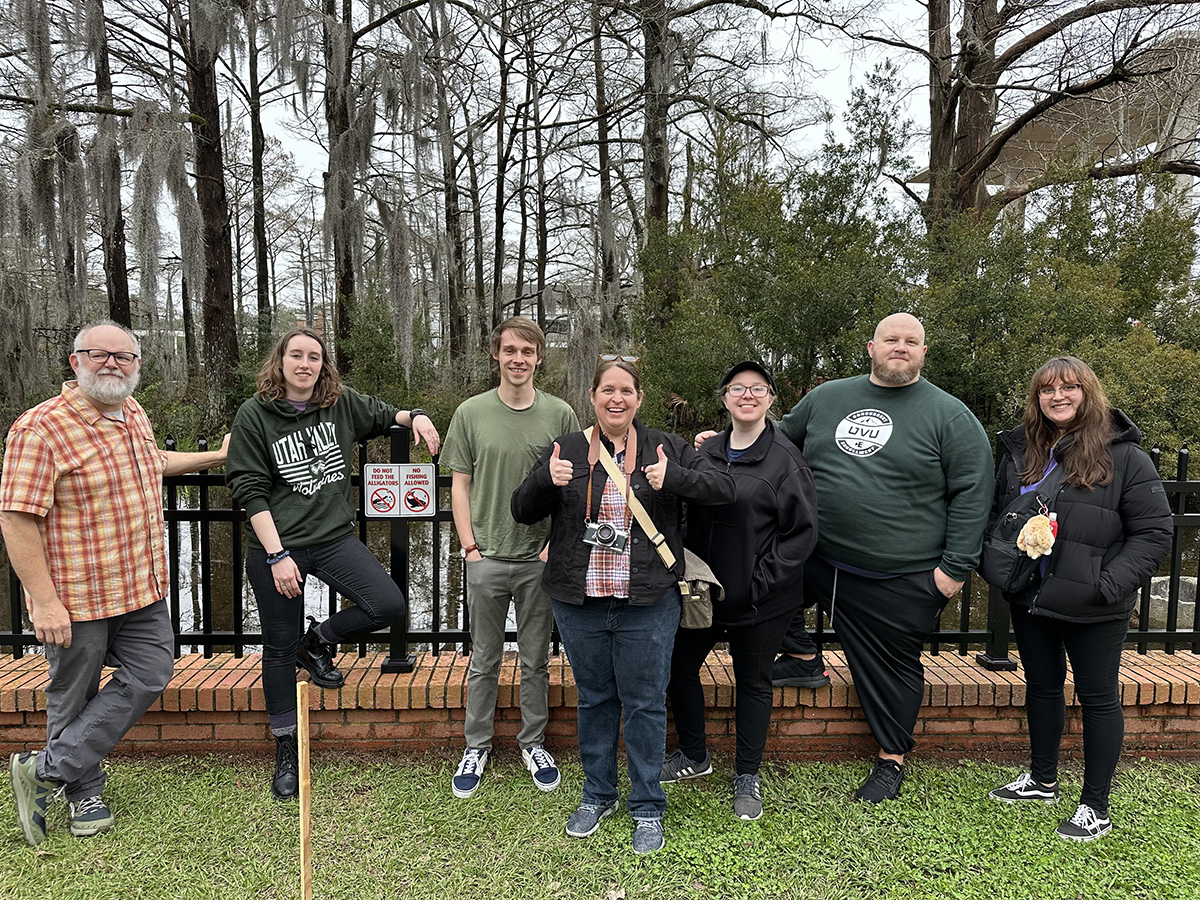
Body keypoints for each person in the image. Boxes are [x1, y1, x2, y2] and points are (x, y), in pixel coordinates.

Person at [698, 313, 993, 802]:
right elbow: (774, 440)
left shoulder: (950, 416)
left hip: (897, 572)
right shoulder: (828, 398)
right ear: (871, 347)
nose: (900, 347)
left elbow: (973, 494)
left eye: (911, 341)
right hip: (816, 556)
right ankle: (802, 657)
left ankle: (890, 760)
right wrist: (719, 444)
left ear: (923, 352)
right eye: (891, 340)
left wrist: (953, 571)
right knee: (764, 593)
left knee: (893, 669)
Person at [1, 321, 229, 846]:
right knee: (72, 697)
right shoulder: (41, 428)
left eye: (123, 357)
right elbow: (17, 517)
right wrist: (44, 600)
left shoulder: (133, 414)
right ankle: (85, 792)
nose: (111, 364)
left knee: (151, 673)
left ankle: (43, 771)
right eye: (98, 354)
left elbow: (156, 464)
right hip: (76, 597)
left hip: (140, 589)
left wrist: (217, 456)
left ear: (137, 365)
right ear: (75, 360)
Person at [511, 357, 734, 854]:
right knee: (594, 700)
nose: (617, 399)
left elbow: (723, 492)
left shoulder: (666, 447)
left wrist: (673, 478)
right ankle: (598, 795)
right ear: (592, 397)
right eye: (607, 390)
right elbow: (521, 511)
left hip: (648, 601)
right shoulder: (566, 448)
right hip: (580, 601)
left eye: (626, 391)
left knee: (646, 703)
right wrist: (546, 479)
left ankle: (648, 804)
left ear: (638, 398)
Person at [225, 326, 439, 801]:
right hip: (277, 547)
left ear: (324, 365)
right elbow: (249, 489)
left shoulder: (339, 403)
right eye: (296, 356)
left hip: (333, 539)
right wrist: (278, 555)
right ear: (280, 361)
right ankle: (286, 747)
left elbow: (388, 415)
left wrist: (418, 416)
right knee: (278, 648)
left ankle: (317, 641)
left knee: (387, 605)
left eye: (314, 357)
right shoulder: (254, 415)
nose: (305, 364)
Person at [985, 356, 1171, 841]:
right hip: (1031, 596)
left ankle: (1095, 806)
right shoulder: (1020, 451)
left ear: (1088, 393)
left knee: (1098, 697)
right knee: (1042, 687)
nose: (1058, 397)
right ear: (1037, 398)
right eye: (1047, 389)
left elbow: (1153, 534)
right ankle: (1043, 779)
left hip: (1094, 603)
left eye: (1069, 388)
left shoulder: (1124, 456)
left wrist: (1106, 585)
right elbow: (994, 514)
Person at [663, 361, 818, 821]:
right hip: (703, 595)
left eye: (757, 389)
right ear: (724, 397)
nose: (747, 395)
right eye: (737, 388)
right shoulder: (705, 453)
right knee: (678, 665)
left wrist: (759, 581)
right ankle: (694, 754)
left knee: (753, 682)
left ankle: (747, 775)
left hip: (760, 598)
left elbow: (802, 534)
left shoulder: (786, 460)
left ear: (771, 399)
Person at [440, 317, 579, 799]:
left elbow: (573, 488)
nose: (518, 359)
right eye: (510, 350)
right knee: (484, 659)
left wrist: (552, 545)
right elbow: (460, 484)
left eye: (528, 351)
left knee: (537, 660)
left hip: (539, 559)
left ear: (539, 357)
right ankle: (476, 745)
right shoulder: (470, 413)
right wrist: (469, 549)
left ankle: (533, 741)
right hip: (487, 558)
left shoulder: (560, 414)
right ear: (496, 355)